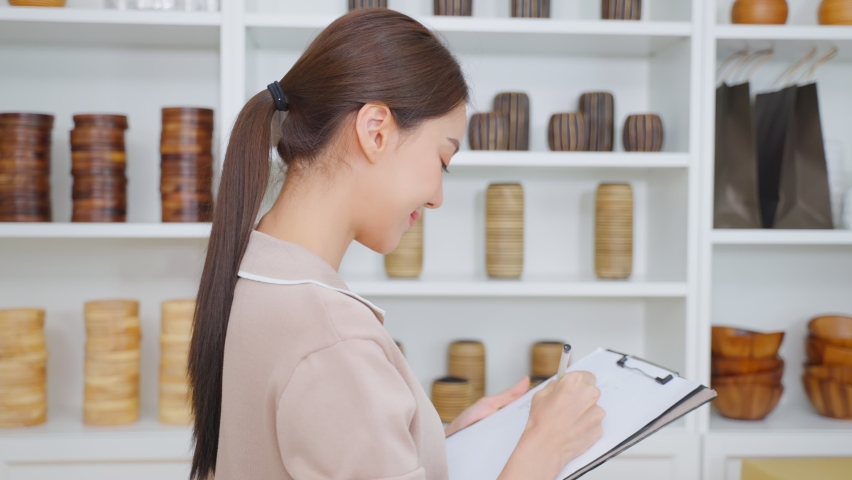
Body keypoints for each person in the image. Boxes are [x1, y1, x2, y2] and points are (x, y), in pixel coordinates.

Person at [188, 8, 604, 480]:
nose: (437, 198)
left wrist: (432, 442)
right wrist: (544, 449)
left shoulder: (257, 273)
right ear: (375, 131)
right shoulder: (331, 340)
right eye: (442, 160)